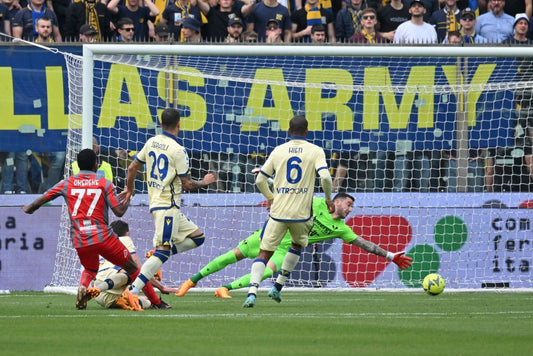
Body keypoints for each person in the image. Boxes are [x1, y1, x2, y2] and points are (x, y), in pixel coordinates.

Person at [175, 194, 413, 298]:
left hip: (283, 250)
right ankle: (191, 281)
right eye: (348, 204)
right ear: (337, 201)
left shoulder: (342, 228)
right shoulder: (317, 203)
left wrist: (391, 256)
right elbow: (293, 199)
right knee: (231, 256)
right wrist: (273, 200)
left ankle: (224, 288)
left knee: (268, 272)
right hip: (269, 235)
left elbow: (365, 244)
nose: (350, 209)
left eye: (352, 207)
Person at [22, 149, 140, 310]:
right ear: (95, 165)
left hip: (80, 238)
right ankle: (147, 298)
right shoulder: (104, 183)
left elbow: (43, 198)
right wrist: (129, 196)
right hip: (103, 237)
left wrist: (29, 208)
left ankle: (83, 287)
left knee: (90, 269)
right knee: (132, 267)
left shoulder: (66, 183)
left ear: (77, 165)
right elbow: (118, 211)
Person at [120, 108, 216, 298]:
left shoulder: (152, 141)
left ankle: (154, 257)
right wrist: (205, 182)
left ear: (161, 124)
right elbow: (187, 184)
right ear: (179, 124)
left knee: (198, 238)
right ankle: (133, 291)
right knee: (163, 251)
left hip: (159, 204)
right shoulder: (178, 150)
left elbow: (132, 167)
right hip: (167, 206)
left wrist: (130, 189)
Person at [242, 115, 334, 308]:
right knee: (297, 246)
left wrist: (270, 197)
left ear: (289, 131)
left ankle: (252, 293)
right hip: (302, 215)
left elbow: (259, 180)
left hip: (278, 213)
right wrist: (328, 199)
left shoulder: (278, 151)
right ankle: (278, 286)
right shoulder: (315, 151)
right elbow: (325, 177)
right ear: (307, 131)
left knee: (264, 252)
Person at [93, 220, 177, 310]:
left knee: (145, 301)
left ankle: (105, 292)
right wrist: (160, 287)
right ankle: (155, 302)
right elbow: (139, 270)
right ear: (127, 233)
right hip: (110, 287)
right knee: (133, 271)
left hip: (101, 295)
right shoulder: (125, 239)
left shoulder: (104, 243)